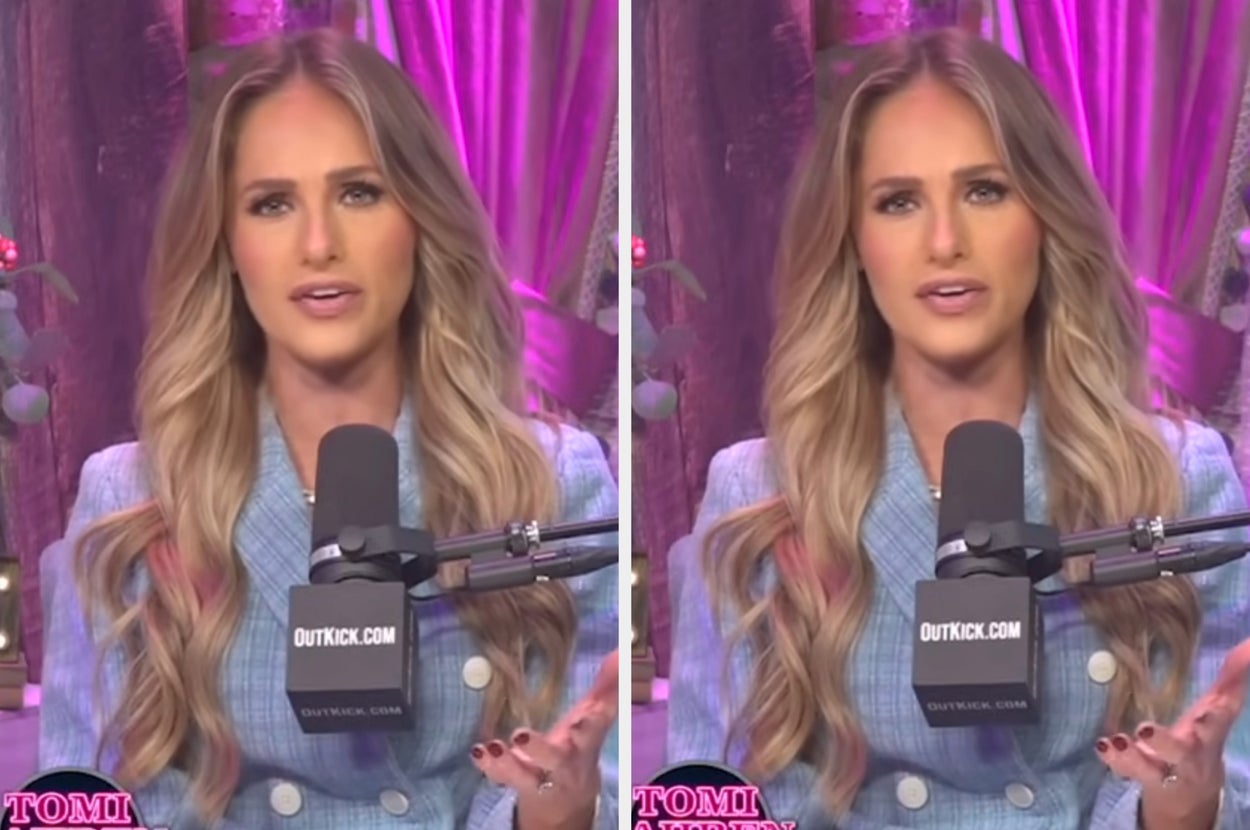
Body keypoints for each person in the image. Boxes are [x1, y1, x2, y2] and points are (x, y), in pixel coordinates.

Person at [666, 26, 1250, 830]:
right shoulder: (757, 493)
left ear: (1045, 217)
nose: (945, 242)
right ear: (854, 243)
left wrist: (1183, 808)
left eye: (985, 191)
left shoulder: (1179, 479)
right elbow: (706, 806)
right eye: (898, 202)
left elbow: (1233, 778)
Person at [37, 28, 619, 830]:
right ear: (227, 246)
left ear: (420, 219)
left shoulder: (553, 482)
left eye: (359, 193)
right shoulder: (130, 500)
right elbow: (87, 803)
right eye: (272, 204)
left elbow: (595, 776)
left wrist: (558, 815)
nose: (319, 245)